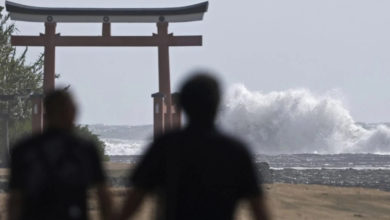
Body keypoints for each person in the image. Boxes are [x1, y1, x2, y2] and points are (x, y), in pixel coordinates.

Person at [118, 73, 270, 220]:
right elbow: (259, 210)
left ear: (181, 105)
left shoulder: (165, 145)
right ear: (217, 105)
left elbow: (134, 201)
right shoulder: (236, 150)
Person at [8, 90, 112, 220]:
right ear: (71, 112)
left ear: (46, 114)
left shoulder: (23, 149)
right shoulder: (84, 149)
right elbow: (103, 197)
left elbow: (15, 200)